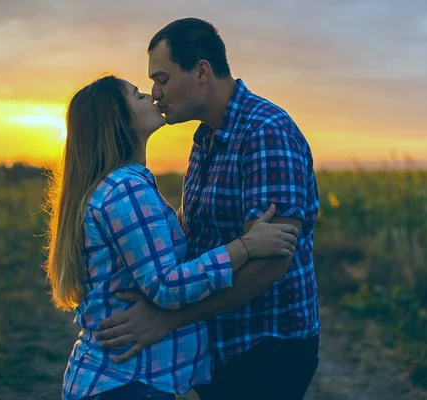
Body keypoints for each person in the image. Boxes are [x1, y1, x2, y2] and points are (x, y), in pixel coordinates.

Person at [95, 18, 321, 400]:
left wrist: (170, 319)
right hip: (222, 343)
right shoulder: (205, 139)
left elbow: (270, 262)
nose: (155, 94)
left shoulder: (265, 132)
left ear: (202, 71)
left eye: (162, 79)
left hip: (265, 347)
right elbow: (200, 239)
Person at [43, 74, 300, 400]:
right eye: (137, 95)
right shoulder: (126, 189)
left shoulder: (120, 185)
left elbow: (151, 253)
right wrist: (246, 247)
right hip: (127, 384)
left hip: (125, 381)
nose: (150, 96)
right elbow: (167, 285)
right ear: (118, 118)